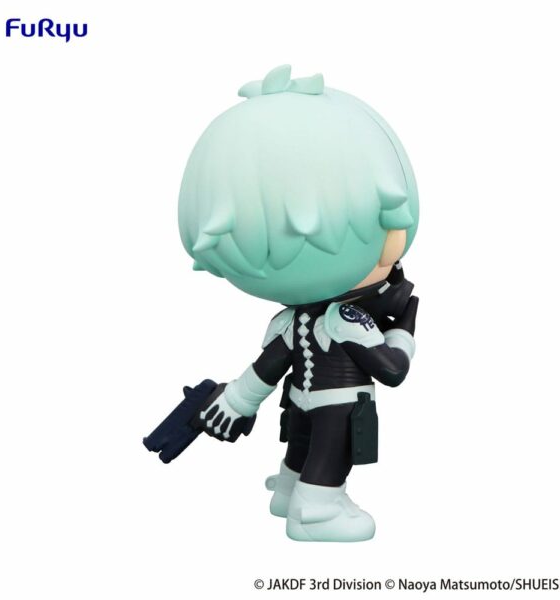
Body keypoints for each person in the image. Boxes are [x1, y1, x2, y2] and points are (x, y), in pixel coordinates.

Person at [179, 65, 420, 542]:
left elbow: (268, 365)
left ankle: (289, 491)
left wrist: (239, 399)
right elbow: (393, 371)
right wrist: (404, 330)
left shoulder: (289, 320)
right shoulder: (347, 319)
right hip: (338, 405)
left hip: (299, 400)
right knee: (329, 456)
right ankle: (317, 509)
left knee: (302, 448)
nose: (394, 250)